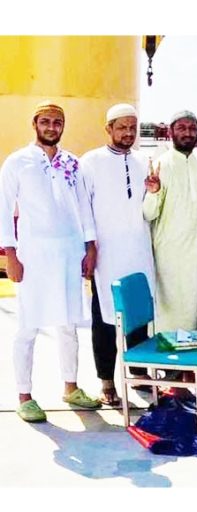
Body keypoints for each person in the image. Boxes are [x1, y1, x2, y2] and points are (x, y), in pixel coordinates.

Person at [0, 101, 100, 422]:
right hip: (34, 257)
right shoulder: (18, 162)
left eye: (57, 122)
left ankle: (70, 387)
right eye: (46, 121)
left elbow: (83, 207)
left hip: (70, 254)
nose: (52, 127)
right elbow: (3, 209)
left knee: (68, 324)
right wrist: (10, 254)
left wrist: (89, 247)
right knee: (28, 326)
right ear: (35, 124)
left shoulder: (72, 163)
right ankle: (24, 395)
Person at [80, 103, 156, 406]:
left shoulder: (144, 161)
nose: (128, 133)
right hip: (106, 254)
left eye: (132, 128)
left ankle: (138, 373)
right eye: (122, 127)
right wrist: (89, 247)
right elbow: (83, 208)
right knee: (105, 319)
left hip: (138, 250)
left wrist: (155, 191)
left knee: (138, 316)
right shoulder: (90, 162)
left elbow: (149, 208)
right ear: (108, 128)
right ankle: (107, 381)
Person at [142, 110, 197, 331]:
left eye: (192, 128)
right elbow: (149, 214)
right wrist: (153, 192)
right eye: (181, 128)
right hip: (168, 253)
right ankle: (165, 352)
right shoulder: (161, 165)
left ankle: (189, 353)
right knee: (167, 311)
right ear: (171, 132)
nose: (187, 133)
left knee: (195, 308)